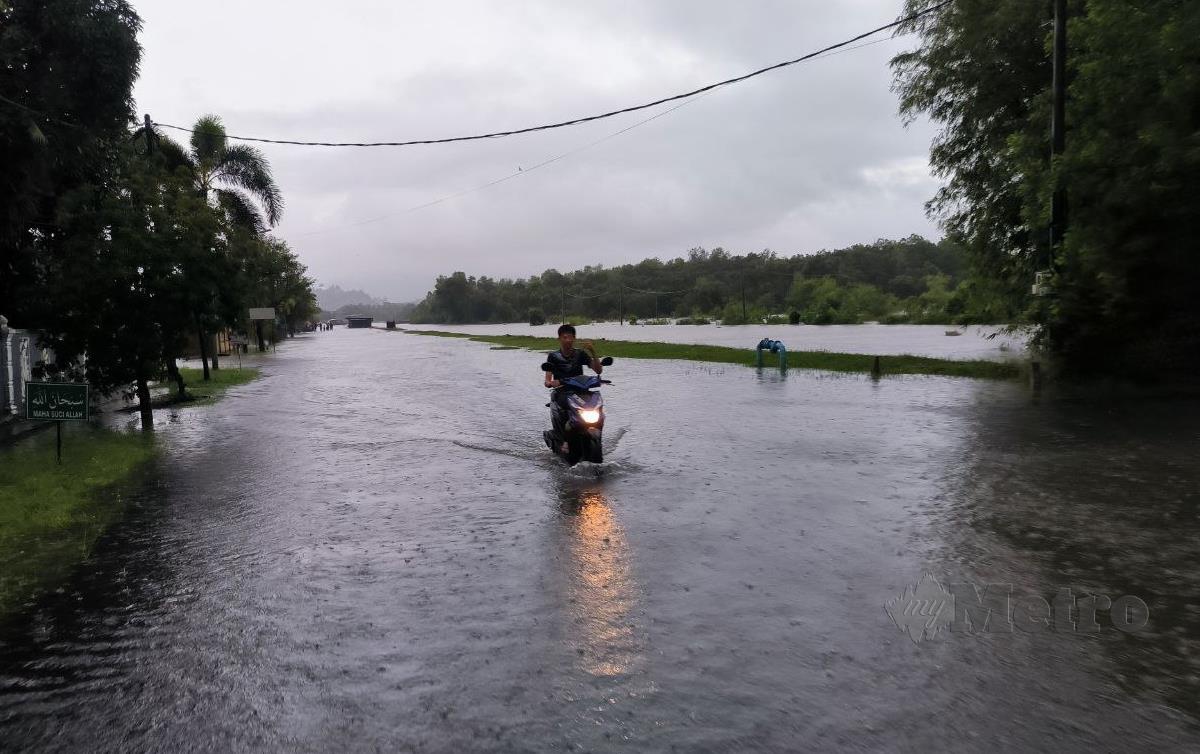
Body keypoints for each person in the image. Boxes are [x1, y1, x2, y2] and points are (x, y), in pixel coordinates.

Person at [543, 324, 603, 454]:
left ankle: (596, 432)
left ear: (574, 338)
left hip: (581, 391)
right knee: (565, 404)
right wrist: (550, 382)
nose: (568, 340)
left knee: (597, 403)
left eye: (570, 337)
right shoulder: (553, 356)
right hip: (563, 392)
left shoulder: (580, 354)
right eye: (565, 337)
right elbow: (547, 378)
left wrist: (593, 351)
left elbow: (598, 369)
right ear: (559, 338)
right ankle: (565, 440)